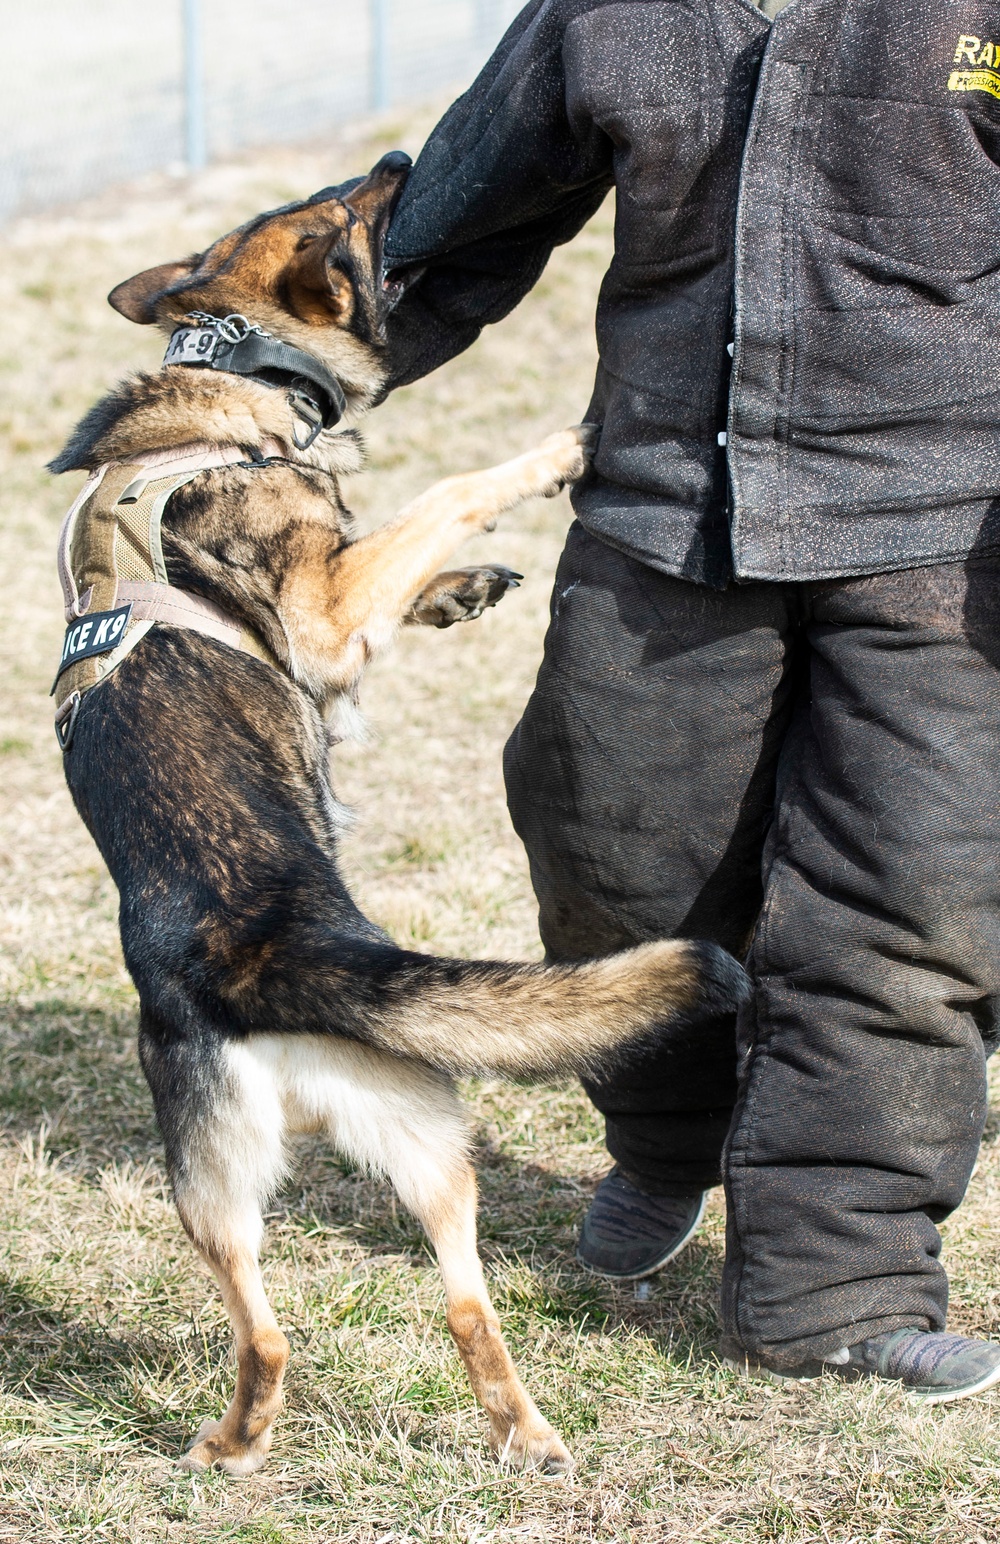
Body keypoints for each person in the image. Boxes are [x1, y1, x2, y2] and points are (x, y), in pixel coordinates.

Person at [375, 0, 1000, 1401]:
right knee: (609, 849)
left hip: (945, 529)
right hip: (664, 510)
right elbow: (450, 219)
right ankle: (670, 1135)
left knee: (903, 907)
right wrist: (265, 374)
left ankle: (835, 1284)